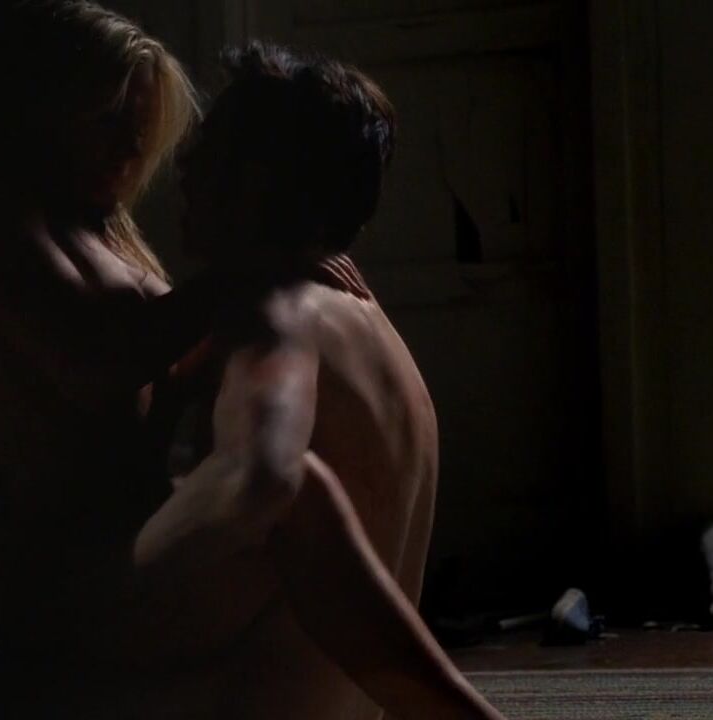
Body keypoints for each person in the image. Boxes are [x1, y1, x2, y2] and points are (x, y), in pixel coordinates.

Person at [123, 42, 504, 719]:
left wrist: (123, 576)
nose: (182, 167)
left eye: (208, 150)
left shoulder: (278, 318)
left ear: (256, 181)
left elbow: (266, 474)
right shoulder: (367, 323)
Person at [0, 0, 226, 660]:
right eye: (108, 121)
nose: (132, 149)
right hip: (67, 561)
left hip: (133, 528)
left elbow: (157, 376)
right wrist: (253, 272)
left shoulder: (98, 225)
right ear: (44, 111)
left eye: (140, 126)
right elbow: (95, 366)